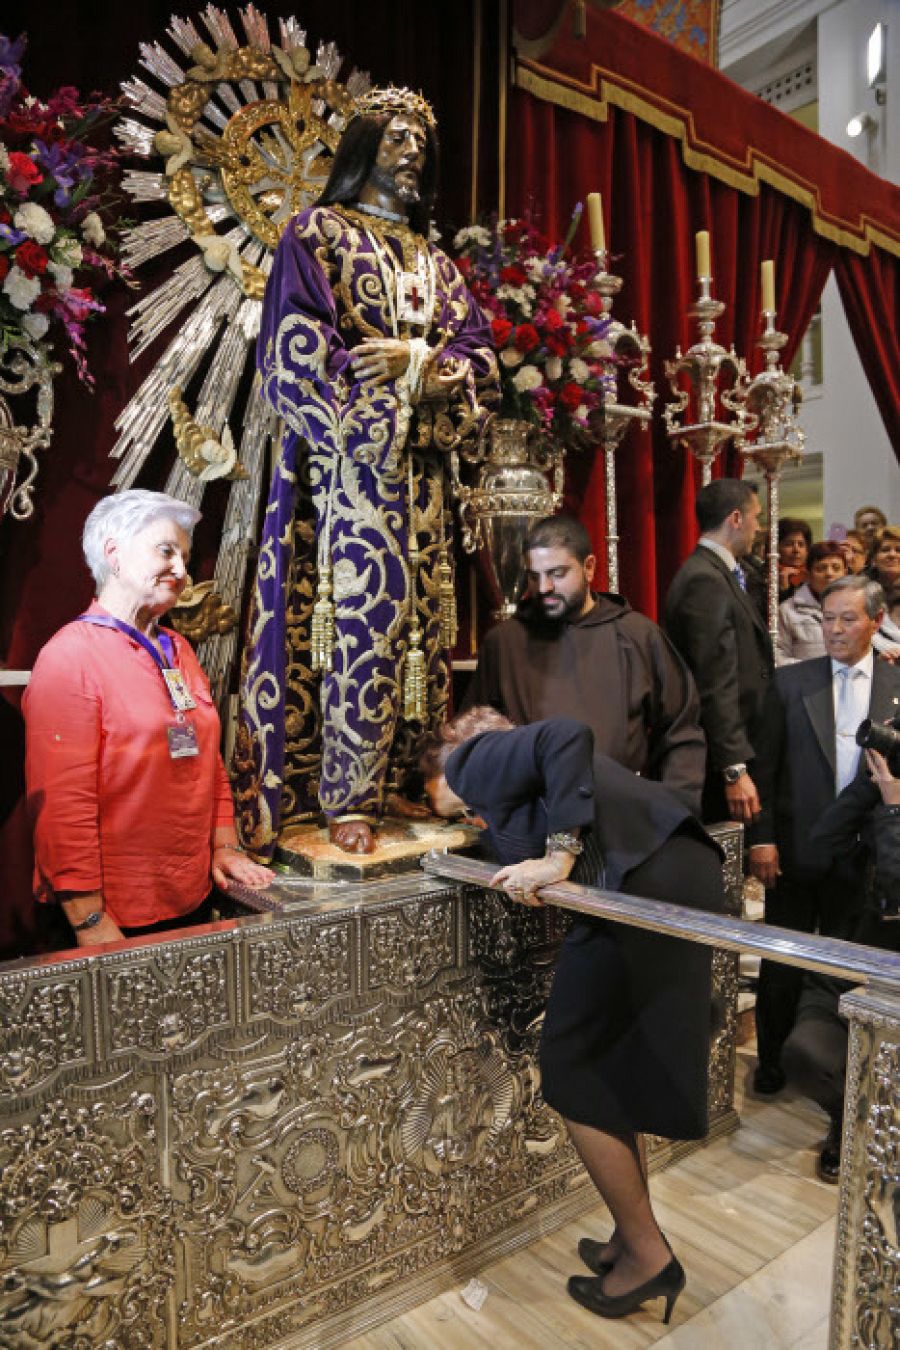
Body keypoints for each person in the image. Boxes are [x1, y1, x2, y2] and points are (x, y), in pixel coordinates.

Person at [235, 85, 498, 857]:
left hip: (425, 477)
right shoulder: (316, 234)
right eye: (395, 137)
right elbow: (291, 351)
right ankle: (346, 793)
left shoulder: (437, 262)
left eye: (421, 138)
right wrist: (381, 384)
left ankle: (416, 778)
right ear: (361, 150)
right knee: (365, 624)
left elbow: (477, 355)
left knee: (429, 625)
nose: (412, 150)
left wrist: (424, 365)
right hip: (352, 475)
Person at [423, 709, 726, 1324]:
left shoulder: (470, 758)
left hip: (640, 884)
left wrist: (558, 856)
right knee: (607, 1068)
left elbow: (568, 731)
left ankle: (647, 1255)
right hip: (666, 874)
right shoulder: (531, 773)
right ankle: (628, 1234)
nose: (454, 813)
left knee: (571, 1071)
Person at [23, 491, 274, 947]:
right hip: (109, 916)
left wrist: (224, 846)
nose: (181, 570)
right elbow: (62, 805)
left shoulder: (179, 650)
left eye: (185, 556)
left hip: (192, 896)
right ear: (113, 553)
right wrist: (88, 919)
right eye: (166, 551)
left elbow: (207, 762)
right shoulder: (69, 656)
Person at [748, 575, 900, 1100]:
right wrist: (760, 839)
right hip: (793, 849)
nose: (834, 629)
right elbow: (763, 768)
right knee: (782, 962)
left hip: (867, 859)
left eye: (847, 619)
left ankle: (833, 1079)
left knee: (843, 970)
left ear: (876, 623)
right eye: (827, 618)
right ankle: (771, 1061)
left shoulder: (895, 686)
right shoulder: (791, 683)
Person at [462, 514, 706, 812]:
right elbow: (473, 737)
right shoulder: (503, 642)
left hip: (621, 816)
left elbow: (681, 730)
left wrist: (673, 810)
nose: (543, 588)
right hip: (532, 819)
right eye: (533, 576)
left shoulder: (638, 635)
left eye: (557, 573)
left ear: (589, 567)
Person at [781, 745, 900, 1180]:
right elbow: (823, 840)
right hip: (851, 967)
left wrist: (892, 810)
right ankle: (848, 1120)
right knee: (805, 1054)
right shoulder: (886, 795)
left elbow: (895, 897)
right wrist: (869, 785)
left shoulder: (894, 807)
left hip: (894, 985)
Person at [664, 479, 774, 825]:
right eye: (757, 516)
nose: (760, 526)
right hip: (717, 762)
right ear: (736, 518)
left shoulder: (719, 573)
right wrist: (733, 769)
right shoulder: (704, 580)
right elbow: (715, 680)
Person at [775, 540, 846, 665]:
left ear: (845, 573)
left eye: (836, 568)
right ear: (808, 574)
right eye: (821, 568)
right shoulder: (787, 610)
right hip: (805, 681)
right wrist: (811, 672)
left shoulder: (859, 608)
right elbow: (778, 655)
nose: (829, 574)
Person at [867, 525, 900, 657]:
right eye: (885, 550)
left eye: (898, 550)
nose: (892, 554)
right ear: (873, 559)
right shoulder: (861, 594)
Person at [776, 516, 812, 600]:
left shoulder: (814, 575)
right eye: (788, 544)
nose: (796, 550)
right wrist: (783, 590)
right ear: (776, 548)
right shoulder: (764, 576)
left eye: (801, 544)